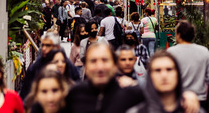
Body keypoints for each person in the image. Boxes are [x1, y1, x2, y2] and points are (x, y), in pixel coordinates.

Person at [66, 42, 200, 113]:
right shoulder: (74, 94)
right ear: (86, 67)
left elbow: (160, 95)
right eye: (93, 61)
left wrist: (184, 95)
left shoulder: (131, 93)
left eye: (105, 60)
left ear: (114, 65)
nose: (100, 67)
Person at [126, 51, 203, 113]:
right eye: (158, 70)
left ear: (177, 74)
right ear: (150, 76)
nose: (164, 75)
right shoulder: (136, 111)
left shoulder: (193, 110)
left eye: (169, 69)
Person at [21, 32, 80, 99]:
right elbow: (25, 93)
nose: (44, 48)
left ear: (57, 47)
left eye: (48, 45)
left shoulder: (67, 65)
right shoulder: (35, 67)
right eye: (43, 45)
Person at [167, 20, 209, 104]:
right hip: (199, 100)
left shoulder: (170, 53)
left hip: (178, 100)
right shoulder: (204, 51)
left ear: (179, 35)